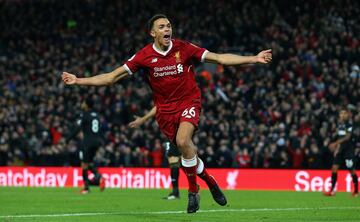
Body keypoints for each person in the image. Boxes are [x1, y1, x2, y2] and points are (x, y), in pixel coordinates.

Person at [62, 14, 272, 213]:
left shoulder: (184, 48)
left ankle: (192, 190)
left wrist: (254, 58)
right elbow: (111, 77)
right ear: (152, 33)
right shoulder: (144, 56)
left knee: (183, 141)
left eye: (169, 26)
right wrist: (79, 80)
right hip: (164, 111)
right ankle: (209, 181)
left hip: (189, 102)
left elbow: (219, 58)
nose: (167, 29)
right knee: (186, 151)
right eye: (161, 27)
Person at [128, 106, 181, 200]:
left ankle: (181, 191)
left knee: (178, 160)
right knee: (176, 161)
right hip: (172, 132)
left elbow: (158, 107)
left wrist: (143, 119)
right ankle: (177, 191)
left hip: (177, 130)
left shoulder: (171, 98)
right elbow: (158, 107)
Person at [67, 98, 105, 194]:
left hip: (87, 142)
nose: (82, 104)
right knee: (88, 162)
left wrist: (68, 138)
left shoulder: (85, 115)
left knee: (84, 165)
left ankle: (86, 188)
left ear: (87, 105)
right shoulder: (97, 115)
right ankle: (98, 177)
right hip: (97, 141)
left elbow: (77, 128)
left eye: (83, 103)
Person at [324, 109, 358, 197]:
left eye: (344, 114)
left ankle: (356, 191)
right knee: (334, 168)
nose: (342, 115)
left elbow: (347, 137)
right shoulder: (340, 125)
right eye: (341, 114)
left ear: (347, 115)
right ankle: (332, 191)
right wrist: (337, 149)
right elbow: (341, 138)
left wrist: (335, 143)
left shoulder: (350, 125)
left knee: (352, 170)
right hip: (341, 150)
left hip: (348, 151)